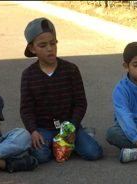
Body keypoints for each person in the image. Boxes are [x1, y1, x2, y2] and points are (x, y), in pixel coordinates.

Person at [20, 17, 102, 164]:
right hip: (43, 128)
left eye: (53, 43)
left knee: (93, 152)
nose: (50, 49)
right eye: (43, 45)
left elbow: (80, 103)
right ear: (32, 48)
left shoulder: (71, 70)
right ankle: (59, 144)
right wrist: (33, 131)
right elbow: (26, 109)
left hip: (69, 125)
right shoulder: (28, 75)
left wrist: (72, 126)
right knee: (41, 156)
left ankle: (78, 137)